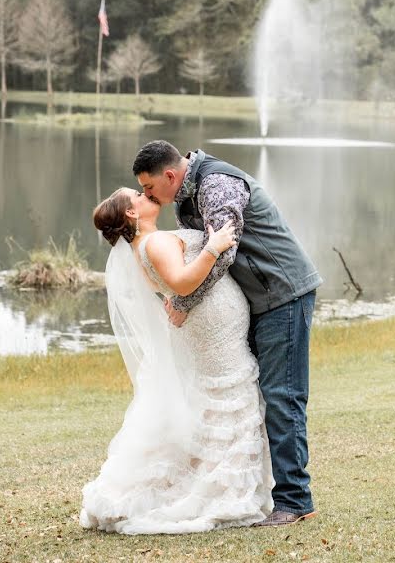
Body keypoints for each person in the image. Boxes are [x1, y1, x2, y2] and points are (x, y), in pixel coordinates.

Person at [133, 140, 321, 527]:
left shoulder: (217, 184)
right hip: (259, 299)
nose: (150, 196)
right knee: (260, 395)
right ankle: (262, 490)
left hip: (283, 293)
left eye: (150, 188)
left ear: (170, 176)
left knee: (282, 395)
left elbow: (224, 251)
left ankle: (295, 500)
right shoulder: (187, 196)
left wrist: (183, 303)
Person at [82, 188, 274, 534]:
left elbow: (171, 290)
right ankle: (220, 488)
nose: (146, 194)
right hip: (210, 332)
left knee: (214, 397)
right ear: (131, 214)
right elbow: (182, 285)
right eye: (138, 195)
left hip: (206, 330)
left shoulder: (145, 245)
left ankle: (212, 477)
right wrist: (214, 247)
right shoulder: (154, 243)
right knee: (226, 395)